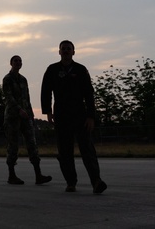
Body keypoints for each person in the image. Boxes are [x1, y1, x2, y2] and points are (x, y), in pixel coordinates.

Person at [40, 40, 107, 194]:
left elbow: (89, 94)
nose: (66, 51)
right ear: (59, 52)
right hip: (61, 116)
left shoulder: (81, 70)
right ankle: (71, 182)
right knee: (64, 151)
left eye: (68, 49)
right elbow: (46, 91)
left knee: (87, 149)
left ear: (73, 52)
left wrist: (91, 116)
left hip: (80, 115)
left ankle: (96, 181)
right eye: (63, 49)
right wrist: (48, 112)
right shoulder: (52, 70)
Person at [2, 55, 52, 185]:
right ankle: (11, 175)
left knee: (32, 144)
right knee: (13, 145)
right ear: (11, 63)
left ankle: (38, 175)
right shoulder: (7, 79)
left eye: (20, 61)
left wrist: (31, 114)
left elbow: (27, 98)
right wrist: (19, 110)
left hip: (25, 117)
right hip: (13, 117)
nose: (18, 63)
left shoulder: (23, 79)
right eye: (15, 61)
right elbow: (8, 97)